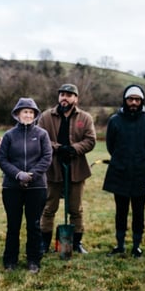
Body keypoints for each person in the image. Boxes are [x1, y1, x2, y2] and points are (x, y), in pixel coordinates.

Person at [38, 83, 97, 255]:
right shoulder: (46, 116)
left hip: (76, 168)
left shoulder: (85, 118)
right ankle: (44, 243)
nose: (65, 97)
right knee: (49, 207)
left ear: (76, 99)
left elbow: (91, 140)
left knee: (75, 209)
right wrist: (57, 147)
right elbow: (40, 137)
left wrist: (73, 149)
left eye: (69, 95)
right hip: (52, 168)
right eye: (62, 94)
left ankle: (76, 243)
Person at [103, 84, 145, 258]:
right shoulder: (114, 120)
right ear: (125, 100)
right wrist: (122, 160)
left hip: (141, 172)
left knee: (138, 211)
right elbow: (110, 145)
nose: (133, 102)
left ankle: (136, 246)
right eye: (130, 99)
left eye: (137, 99)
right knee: (121, 210)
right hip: (120, 171)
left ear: (142, 101)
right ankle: (120, 244)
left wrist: (139, 160)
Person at [0, 98, 52, 273]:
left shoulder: (42, 134)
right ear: (17, 114)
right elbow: (2, 160)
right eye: (24, 112)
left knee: (34, 224)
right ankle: (10, 261)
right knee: (13, 224)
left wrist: (32, 175)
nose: (28, 115)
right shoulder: (9, 136)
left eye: (31, 112)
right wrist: (17, 174)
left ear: (35, 115)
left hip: (37, 187)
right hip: (12, 187)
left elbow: (47, 158)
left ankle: (33, 260)